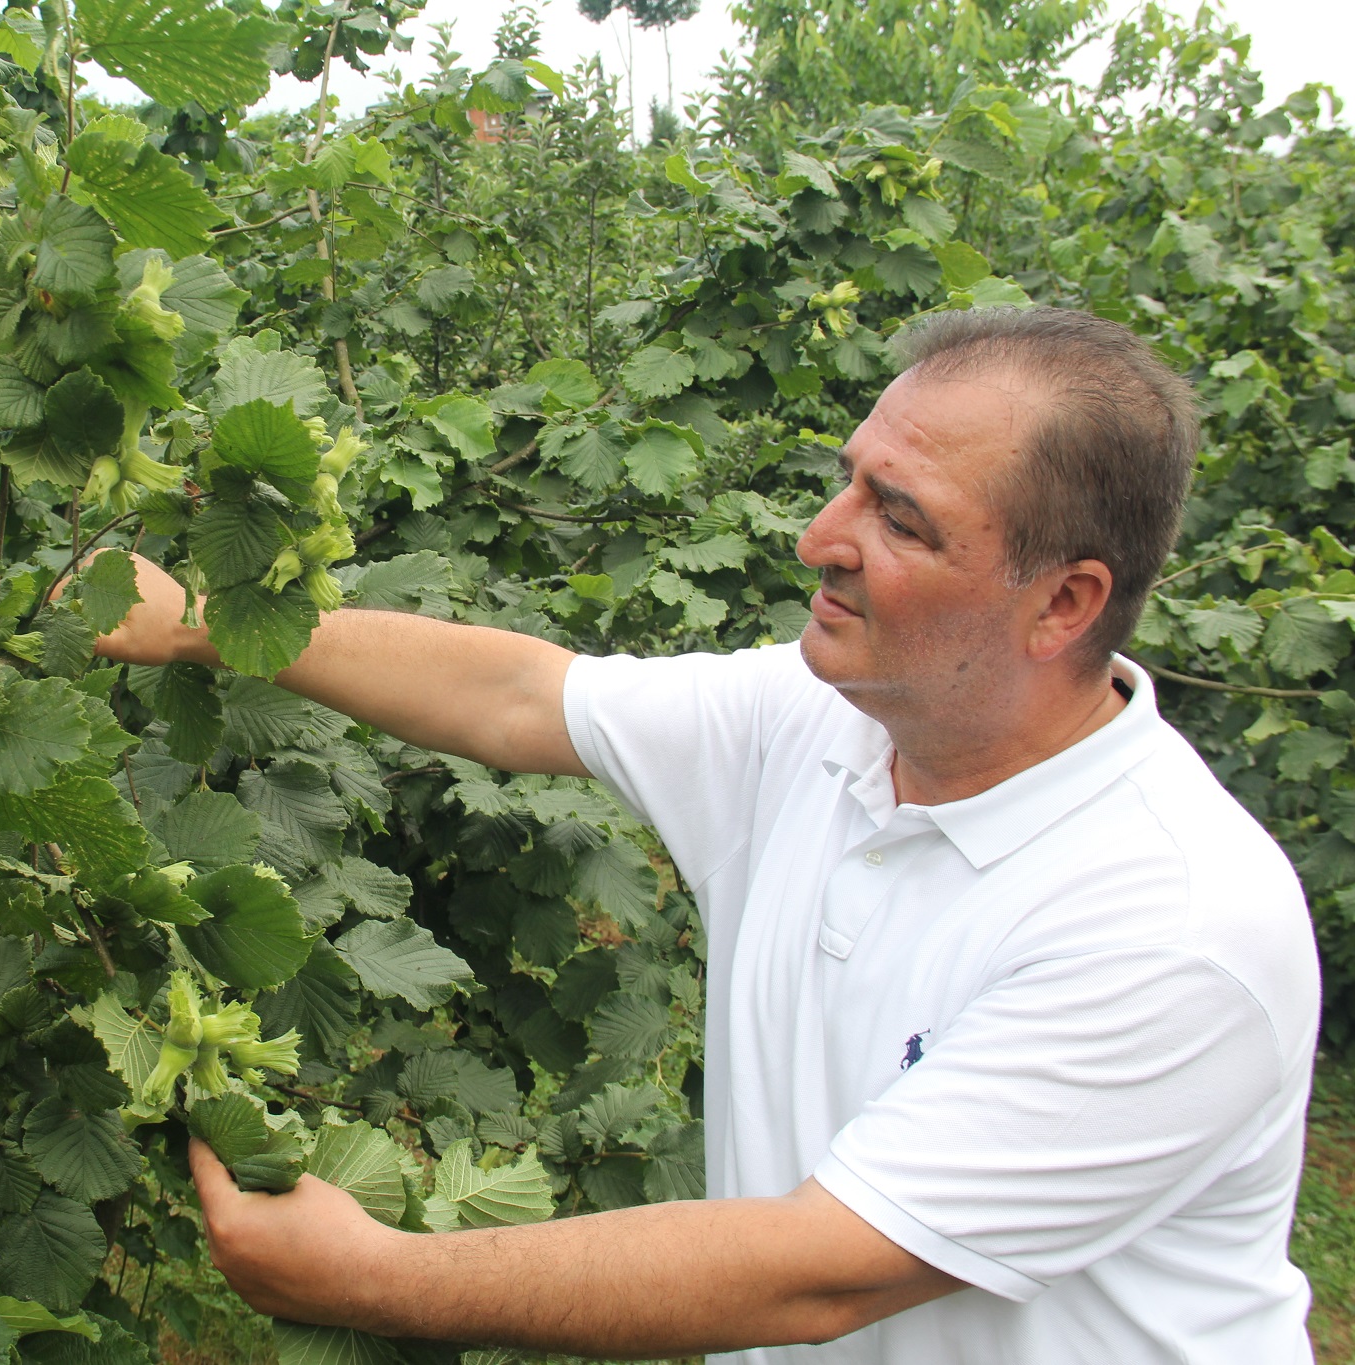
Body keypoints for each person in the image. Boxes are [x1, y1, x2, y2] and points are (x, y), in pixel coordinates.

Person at [92, 307, 1322, 1362]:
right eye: (848, 478)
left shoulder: (1172, 924)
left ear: (1063, 602)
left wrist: (370, 1275)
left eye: (899, 519)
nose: (818, 538)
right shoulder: (821, 720)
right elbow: (520, 697)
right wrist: (203, 619)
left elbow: (821, 1270)